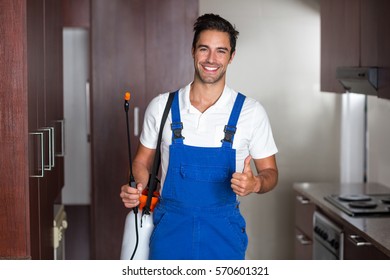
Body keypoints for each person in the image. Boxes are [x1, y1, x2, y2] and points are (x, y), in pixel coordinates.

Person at [120, 13, 278, 260]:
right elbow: (141, 162)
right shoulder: (162, 106)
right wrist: (139, 189)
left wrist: (256, 183)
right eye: (204, 49)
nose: (211, 59)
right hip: (169, 232)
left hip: (224, 236)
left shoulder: (251, 112)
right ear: (193, 51)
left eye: (221, 51)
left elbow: (271, 173)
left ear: (232, 56)